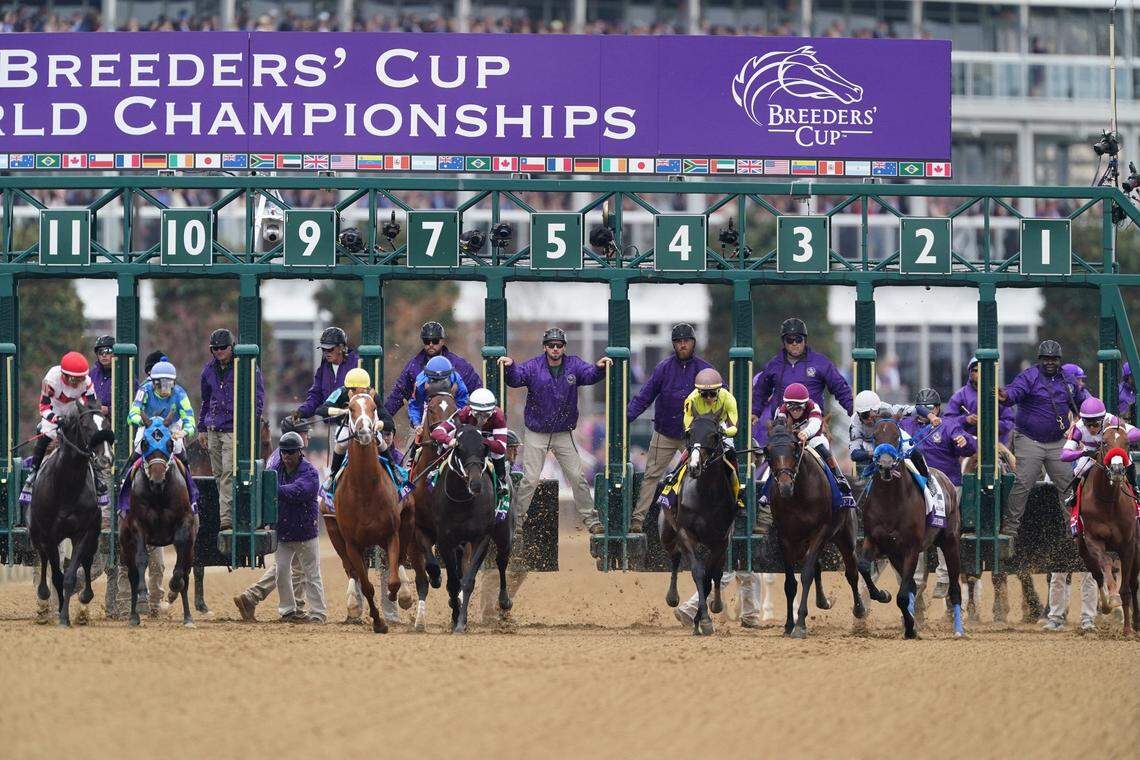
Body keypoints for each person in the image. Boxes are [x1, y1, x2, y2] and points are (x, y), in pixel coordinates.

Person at [996, 339, 1089, 622]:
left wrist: (1098, 408)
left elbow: (1086, 401)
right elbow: (1014, 392)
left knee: (1068, 485)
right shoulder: (1029, 376)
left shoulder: (1069, 379)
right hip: (1030, 440)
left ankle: (1074, 530)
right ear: (1040, 359)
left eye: (1054, 358)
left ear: (1059, 360)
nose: (1050, 362)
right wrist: (1003, 396)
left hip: (1058, 441)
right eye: (1045, 358)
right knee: (1023, 482)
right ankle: (1010, 533)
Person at [499, 327, 610, 534]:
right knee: (530, 478)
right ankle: (518, 521)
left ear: (564, 347)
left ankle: (591, 520)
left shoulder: (574, 364)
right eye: (551, 345)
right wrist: (510, 366)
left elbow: (589, 375)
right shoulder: (533, 366)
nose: (555, 349)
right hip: (536, 432)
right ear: (545, 347)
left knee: (577, 477)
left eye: (559, 345)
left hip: (563, 433)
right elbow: (516, 378)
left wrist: (599, 367)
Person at [1049, 396, 1140, 632]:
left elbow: (1137, 433)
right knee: (1081, 471)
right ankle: (1075, 501)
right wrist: (1082, 450)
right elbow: (1064, 455)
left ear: (1102, 418)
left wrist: (1119, 439)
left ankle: (1135, 492)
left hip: (1114, 457)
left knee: (1126, 463)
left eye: (1095, 423)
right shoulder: (1079, 429)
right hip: (1091, 459)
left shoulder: (1112, 420)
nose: (1091, 427)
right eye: (1088, 423)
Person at [625, 323, 712, 533]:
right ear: (674, 345)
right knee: (651, 475)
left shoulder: (704, 370)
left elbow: (720, 396)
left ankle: (706, 520)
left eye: (686, 341)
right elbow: (645, 395)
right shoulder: (664, 368)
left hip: (693, 436)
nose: (683, 345)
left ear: (693, 343)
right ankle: (637, 521)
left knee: (702, 474)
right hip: (664, 432)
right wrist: (625, 418)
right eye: (679, 342)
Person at [899, 389, 977, 599]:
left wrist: (965, 442)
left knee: (943, 524)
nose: (926, 412)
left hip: (947, 484)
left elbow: (969, 444)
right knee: (911, 528)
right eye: (923, 407)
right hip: (915, 483)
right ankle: (914, 580)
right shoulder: (906, 424)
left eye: (931, 407)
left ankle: (944, 577)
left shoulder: (948, 425)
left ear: (938, 408)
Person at [234, 416, 313, 621]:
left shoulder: (279, 454)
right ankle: (294, 608)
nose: (308, 437)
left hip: (280, 517)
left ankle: (254, 597)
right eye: (305, 433)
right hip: (286, 519)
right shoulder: (285, 458)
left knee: (289, 566)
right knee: (293, 568)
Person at [199, 328, 265, 531]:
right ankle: (228, 512)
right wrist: (202, 427)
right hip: (213, 428)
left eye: (222, 348)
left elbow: (258, 395)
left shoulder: (245, 367)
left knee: (228, 472)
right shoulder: (208, 371)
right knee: (219, 475)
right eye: (215, 348)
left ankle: (226, 519)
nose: (219, 351)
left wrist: (251, 420)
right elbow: (205, 401)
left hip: (232, 429)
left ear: (231, 347)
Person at [751, 317, 853, 446]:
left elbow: (840, 388)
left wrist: (853, 410)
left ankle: (833, 468)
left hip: (812, 423)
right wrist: (755, 412)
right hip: (782, 427)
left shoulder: (821, 363)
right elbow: (761, 390)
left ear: (805, 340)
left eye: (798, 339)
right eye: (790, 340)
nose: (794, 343)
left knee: (823, 448)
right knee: (771, 458)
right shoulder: (774, 364)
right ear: (784, 342)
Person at [657, 368, 743, 509]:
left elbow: (734, 427)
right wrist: (694, 435)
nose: (708, 398)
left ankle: (738, 495)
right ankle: (670, 486)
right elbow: (688, 426)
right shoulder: (691, 399)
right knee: (687, 456)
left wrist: (723, 432)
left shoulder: (729, 399)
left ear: (719, 391)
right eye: (704, 394)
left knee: (731, 456)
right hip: (699, 429)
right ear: (698, 392)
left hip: (719, 428)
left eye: (712, 394)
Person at [123, 360, 199, 507]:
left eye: (168, 384)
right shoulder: (143, 390)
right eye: (160, 384)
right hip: (149, 425)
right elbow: (132, 413)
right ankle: (125, 486)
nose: (165, 388)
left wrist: (184, 431)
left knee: (178, 449)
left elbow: (189, 418)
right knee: (138, 448)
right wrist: (143, 422)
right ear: (152, 382)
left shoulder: (180, 393)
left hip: (170, 426)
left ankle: (191, 493)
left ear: (174, 382)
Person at [269, 431, 326, 624]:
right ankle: (287, 610)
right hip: (283, 532)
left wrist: (272, 489)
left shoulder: (310, 472)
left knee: (312, 574)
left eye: (291, 452)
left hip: (305, 533)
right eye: (284, 452)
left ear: (299, 453)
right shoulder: (275, 469)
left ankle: (318, 613)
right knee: (281, 572)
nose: (286, 456)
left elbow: (299, 491)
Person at [765, 382, 854, 506]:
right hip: (793, 442)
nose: (795, 411)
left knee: (822, 448)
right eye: (791, 407)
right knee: (779, 459)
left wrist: (806, 433)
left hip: (813, 438)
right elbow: (779, 427)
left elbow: (815, 423)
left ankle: (839, 478)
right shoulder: (781, 410)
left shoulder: (813, 407)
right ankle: (766, 493)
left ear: (805, 404)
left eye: (799, 408)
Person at [430, 387, 511, 514]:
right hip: (466, 443)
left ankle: (501, 482)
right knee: (446, 446)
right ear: (471, 410)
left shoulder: (499, 416)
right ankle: (437, 472)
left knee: (497, 455)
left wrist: (481, 441)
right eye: (478, 414)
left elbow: (501, 447)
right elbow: (436, 432)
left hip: (487, 441)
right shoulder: (463, 413)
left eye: (487, 415)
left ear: (493, 411)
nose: (483, 419)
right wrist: (449, 440)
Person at [315, 367, 397, 491]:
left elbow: (388, 420)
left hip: (369, 428)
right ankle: (333, 475)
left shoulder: (372, 396)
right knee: (341, 442)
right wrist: (341, 411)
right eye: (351, 389)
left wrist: (379, 424)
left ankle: (394, 470)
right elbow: (320, 409)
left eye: (363, 389)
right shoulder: (341, 392)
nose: (353, 392)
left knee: (380, 441)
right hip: (347, 427)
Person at [27, 351, 100, 489]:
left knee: (88, 435)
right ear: (64, 375)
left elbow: (91, 407)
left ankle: (97, 477)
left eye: (81, 379)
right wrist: (56, 419)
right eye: (74, 380)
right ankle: (34, 471)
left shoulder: (87, 383)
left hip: (75, 409)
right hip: (55, 409)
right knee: (47, 434)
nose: (78, 383)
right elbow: (43, 408)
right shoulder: (50, 380)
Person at [385, 321, 481, 420]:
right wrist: (384, 418)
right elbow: (398, 394)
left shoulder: (460, 366)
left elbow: (477, 391)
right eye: (427, 341)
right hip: (423, 423)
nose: (431, 344)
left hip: (455, 420)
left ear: (442, 341)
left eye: (435, 341)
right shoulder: (413, 367)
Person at [943, 358, 1015, 446]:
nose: (981, 373)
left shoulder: (1000, 395)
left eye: (985, 370)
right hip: (967, 449)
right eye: (976, 370)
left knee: (1010, 459)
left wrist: (991, 424)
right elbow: (946, 423)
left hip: (997, 448)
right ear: (970, 373)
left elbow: (1010, 423)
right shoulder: (959, 396)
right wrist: (966, 420)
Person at [293, 326, 359, 422]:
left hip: (352, 426)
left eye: (330, 349)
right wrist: (298, 414)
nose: (326, 353)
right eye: (324, 349)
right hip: (330, 427)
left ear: (341, 347)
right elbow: (315, 396)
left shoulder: (356, 364)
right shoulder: (323, 369)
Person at [408, 355, 470, 431]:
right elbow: (415, 405)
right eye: (434, 380)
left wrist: (457, 422)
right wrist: (416, 424)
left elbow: (462, 405)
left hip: (450, 412)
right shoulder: (420, 383)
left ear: (450, 375)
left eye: (443, 380)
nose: (438, 384)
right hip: (426, 412)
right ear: (427, 376)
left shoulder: (458, 383)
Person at [90, 335, 114, 414]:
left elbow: (132, 403)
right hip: (92, 419)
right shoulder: (91, 374)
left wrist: (109, 410)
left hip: (114, 421)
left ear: (115, 353)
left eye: (108, 351)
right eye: (100, 352)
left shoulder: (123, 374)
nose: (104, 355)